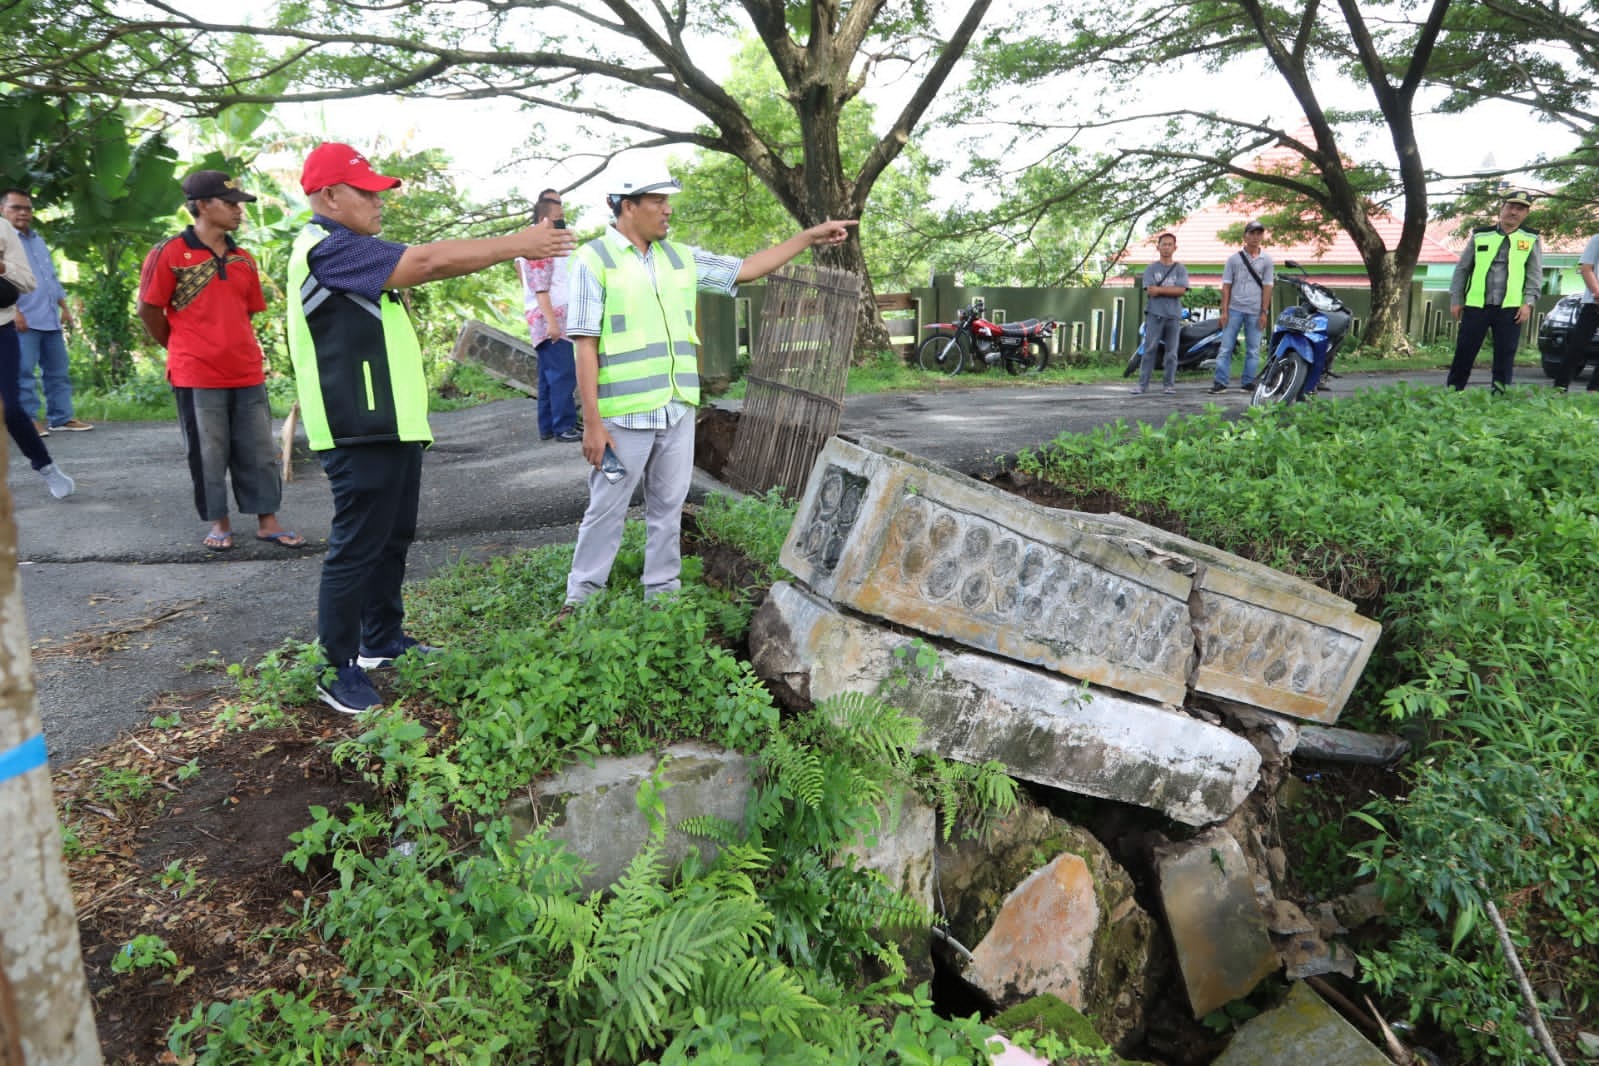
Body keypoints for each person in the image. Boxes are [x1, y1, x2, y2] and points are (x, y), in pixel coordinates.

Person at [287, 141, 575, 714]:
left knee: (391, 538)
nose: (378, 202)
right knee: (356, 545)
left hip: (390, 423)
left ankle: (383, 641)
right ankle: (335, 666)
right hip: (356, 426)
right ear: (328, 196)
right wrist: (517, 244)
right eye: (366, 191)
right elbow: (426, 262)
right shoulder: (327, 248)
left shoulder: (354, 248)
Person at [561, 170, 855, 612]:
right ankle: (580, 601)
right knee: (608, 506)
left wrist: (807, 238)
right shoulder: (593, 260)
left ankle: (662, 597)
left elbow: (748, 269)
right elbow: (584, 345)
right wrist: (593, 424)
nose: (668, 210)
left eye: (667, 201)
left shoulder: (680, 258)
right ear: (626, 205)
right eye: (657, 201)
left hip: (676, 411)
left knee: (668, 507)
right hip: (622, 420)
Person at [137, 170, 304, 552]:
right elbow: (148, 311)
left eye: (238, 204)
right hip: (195, 374)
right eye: (228, 203)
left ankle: (267, 522)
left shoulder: (243, 258)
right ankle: (220, 523)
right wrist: (181, 347)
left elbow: (245, 314)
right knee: (208, 453)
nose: (237, 211)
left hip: (246, 371)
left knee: (260, 452)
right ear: (200, 206)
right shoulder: (169, 253)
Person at [1, 189, 92, 434]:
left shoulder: (36, 239)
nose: (23, 213)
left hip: (49, 317)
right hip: (22, 319)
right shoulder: (5, 240)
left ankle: (62, 417)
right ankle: (27, 421)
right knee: (23, 373)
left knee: (58, 372)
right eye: (16, 207)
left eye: (27, 208)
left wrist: (64, 307)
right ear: (2, 210)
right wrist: (15, 311)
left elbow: (50, 276)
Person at [2, 214, 74, 497]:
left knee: (9, 406)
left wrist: (1, 265)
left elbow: (28, 282)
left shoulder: (2, 228)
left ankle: (46, 468)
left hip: (1, 329)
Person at [1447, 190, 1544, 392]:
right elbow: (1463, 269)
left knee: (1505, 354)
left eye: (1520, 209)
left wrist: (1528, 303)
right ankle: (1453, 392)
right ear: (1502, 209)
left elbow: (1534, 274)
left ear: (1526, 214)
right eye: (1510, 207)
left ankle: (1499, 396)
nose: (1514, 213)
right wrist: (1456, 299)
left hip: (1510, 308)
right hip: (1476, 305)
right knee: (1465, 351)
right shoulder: (1481, 234)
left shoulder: (1531, 238)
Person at [515, 193, 580, 441]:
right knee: (562, 373)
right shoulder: (538, 246)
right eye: (557, 218)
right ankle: (564, 427)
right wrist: (552, 322)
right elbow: (540, 288)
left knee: (548, 376)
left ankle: (549, 427)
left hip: (550, 315)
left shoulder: (543, 242)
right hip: (550, 317)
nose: (561, 222)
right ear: (543, 219)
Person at [1209, 220, 1274, 393]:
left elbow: (1268, 286)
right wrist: (1224, 311)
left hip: (1255, 310)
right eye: (1251, 233)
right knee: (1226, 347)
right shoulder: (1234, 259)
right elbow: (1226, 286)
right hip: (1235, 309)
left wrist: (1264, 312)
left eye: (1258, 233)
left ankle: (1248, 382)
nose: (1255, 237)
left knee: (1253, 350)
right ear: (1245, 236)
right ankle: (1220, 382)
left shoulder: (1267, 260)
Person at [1134, 232, 1189, 396]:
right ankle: (1142, 385)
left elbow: (1181, 290)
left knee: (1171, 352)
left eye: (1169, 244)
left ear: (1175, 247)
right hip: (1154, 314)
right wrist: (1168, 291)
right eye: (1163, 244)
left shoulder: (1180, 269)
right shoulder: (1151, 268)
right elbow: (1150, 290)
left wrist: (1160, 290)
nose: (1166, 247)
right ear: (1158, 247)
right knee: (1149, 350)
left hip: (1173, 315)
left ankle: (1169, 385)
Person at [1556, 226, 1599, 391]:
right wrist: (1597, 293)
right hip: (1593, 303)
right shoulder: (1597, 239)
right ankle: (1560, 387)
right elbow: (1586, 268)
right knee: (1577, 346)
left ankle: (1594, 389)